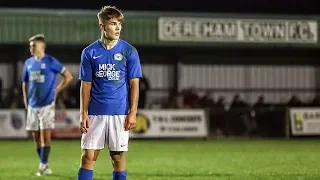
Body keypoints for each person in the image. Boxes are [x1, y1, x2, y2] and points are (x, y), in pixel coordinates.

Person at [76, 6, 142, 180]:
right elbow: (86, 85)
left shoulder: (129, 51)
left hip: (119, 113)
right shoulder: (89, 52)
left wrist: (133, 112)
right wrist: (83, 113)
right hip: (95, 112)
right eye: (113, 23)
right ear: (102, 27)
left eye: (119, 23)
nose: (118, 27)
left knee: (118, 157)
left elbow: (134, 84)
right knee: (88, 157)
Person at [21, 34, 73, 176]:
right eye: (30, 46)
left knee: (46, 136)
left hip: (47, 104)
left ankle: (43, 165)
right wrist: (26, 100)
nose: (31, 48)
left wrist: (57, 90)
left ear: (42, 46)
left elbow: (68, 76)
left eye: (34, 45)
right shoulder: (28, 63)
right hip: (32, 104)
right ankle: (44, 164)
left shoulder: (51, 61)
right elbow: (25, 83)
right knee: (35, 136)